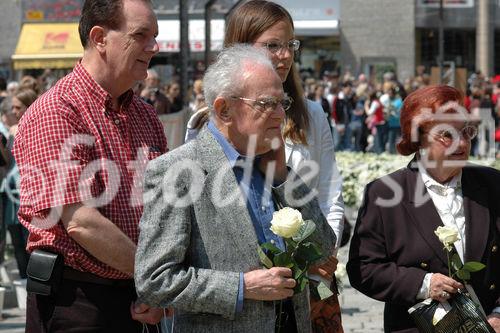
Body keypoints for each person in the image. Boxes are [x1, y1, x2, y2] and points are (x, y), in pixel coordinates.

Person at [135, 44, 336, 333]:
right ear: (224, 109)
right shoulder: (178, 172)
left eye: (282, 103)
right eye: (267, 104)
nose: (280, 115)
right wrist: (243, 287)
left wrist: (283, 178)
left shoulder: (272, 164)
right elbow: (154, 281)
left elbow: (322, 250)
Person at [13, 0, 168, 332]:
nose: (154, 47)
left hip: (136, 296)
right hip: (77, 303)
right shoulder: (56, 110)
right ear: (99, 38)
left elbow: (165, 207)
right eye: (141, 35)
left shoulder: (145, 115)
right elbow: (80, 222)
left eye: (155, 37)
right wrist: (156, 277)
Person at [347, 85, 500, 333]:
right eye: (447, 135)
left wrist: (498, 314)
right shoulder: (385, 192)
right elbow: (363, 268)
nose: (462, 143)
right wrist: (423, 283)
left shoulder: (492, 184)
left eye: (466, 132)